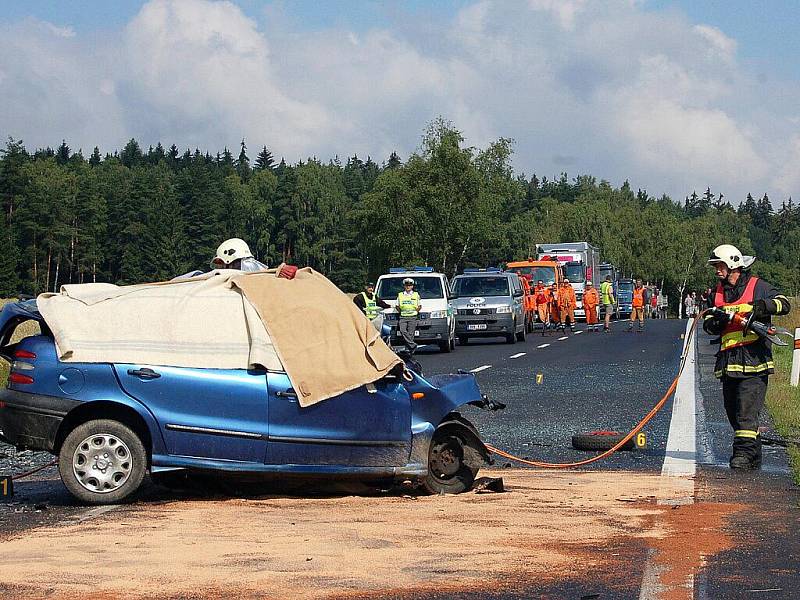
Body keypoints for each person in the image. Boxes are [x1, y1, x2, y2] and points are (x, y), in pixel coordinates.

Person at [703, 244, 791, 470]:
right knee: (733, 412)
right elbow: (707, 324)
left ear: (732, 264)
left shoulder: (757, 287)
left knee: (746, 412)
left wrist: (762, 306)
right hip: (728, 362)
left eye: (719, 266)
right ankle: (753, 454)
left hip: (754, 361)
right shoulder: (717, 293)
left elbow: (784, 303)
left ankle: (742, 455)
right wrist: (716, 322)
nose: (717, 271)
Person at [396, 277, 422, 354]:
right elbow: (397, 306)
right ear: (404, 286)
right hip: (403, 317)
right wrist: (401, 312)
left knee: (411, 334)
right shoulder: (400, 295)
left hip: (413, 317)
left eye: (410, 285)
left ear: (412, 286)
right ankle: (413, 345)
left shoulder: (416, 294)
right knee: (403, 331)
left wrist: (415, 312)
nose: (408, 287)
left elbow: (419, 306)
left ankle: (409, 350)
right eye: (406, 285)